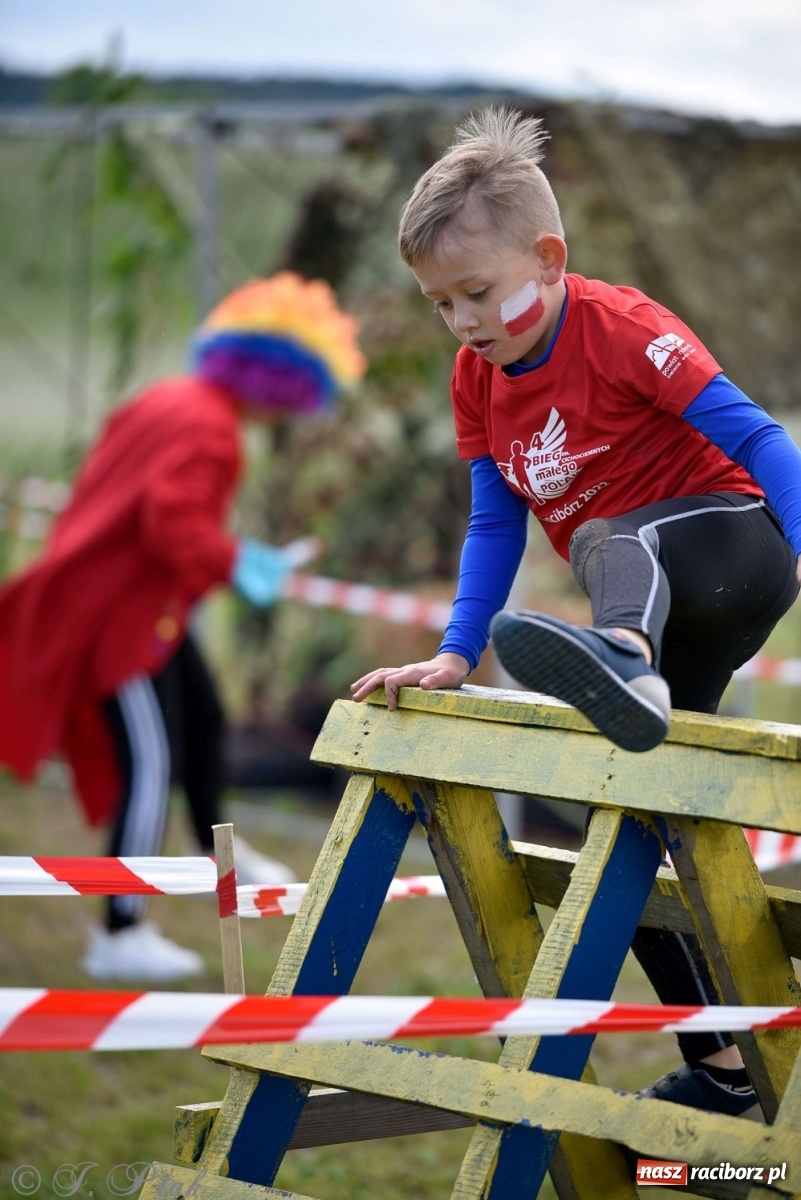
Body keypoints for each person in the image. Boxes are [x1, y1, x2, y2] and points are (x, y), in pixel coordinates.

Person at [350, 106, 801, 1117]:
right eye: (438, 303)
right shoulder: (479, 379)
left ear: (548, 259)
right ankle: (729, 1071)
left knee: (609, 535)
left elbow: (767, 443)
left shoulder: (625, 328)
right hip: (642, 596)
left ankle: (623, 657)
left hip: (734, 550)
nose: (461, 321)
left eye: (475, 292)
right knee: (605, 827)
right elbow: (494, 528)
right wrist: (456, 655)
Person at [0, 272, 365, 981]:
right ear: (284, 382)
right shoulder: (211, 431)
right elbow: (171, 525)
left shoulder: (172, 398)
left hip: (140, 607)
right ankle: (119, 928)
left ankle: (211, 847)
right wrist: (240, 563)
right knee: (149, 767)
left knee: (202, 717)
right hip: (117, 618)